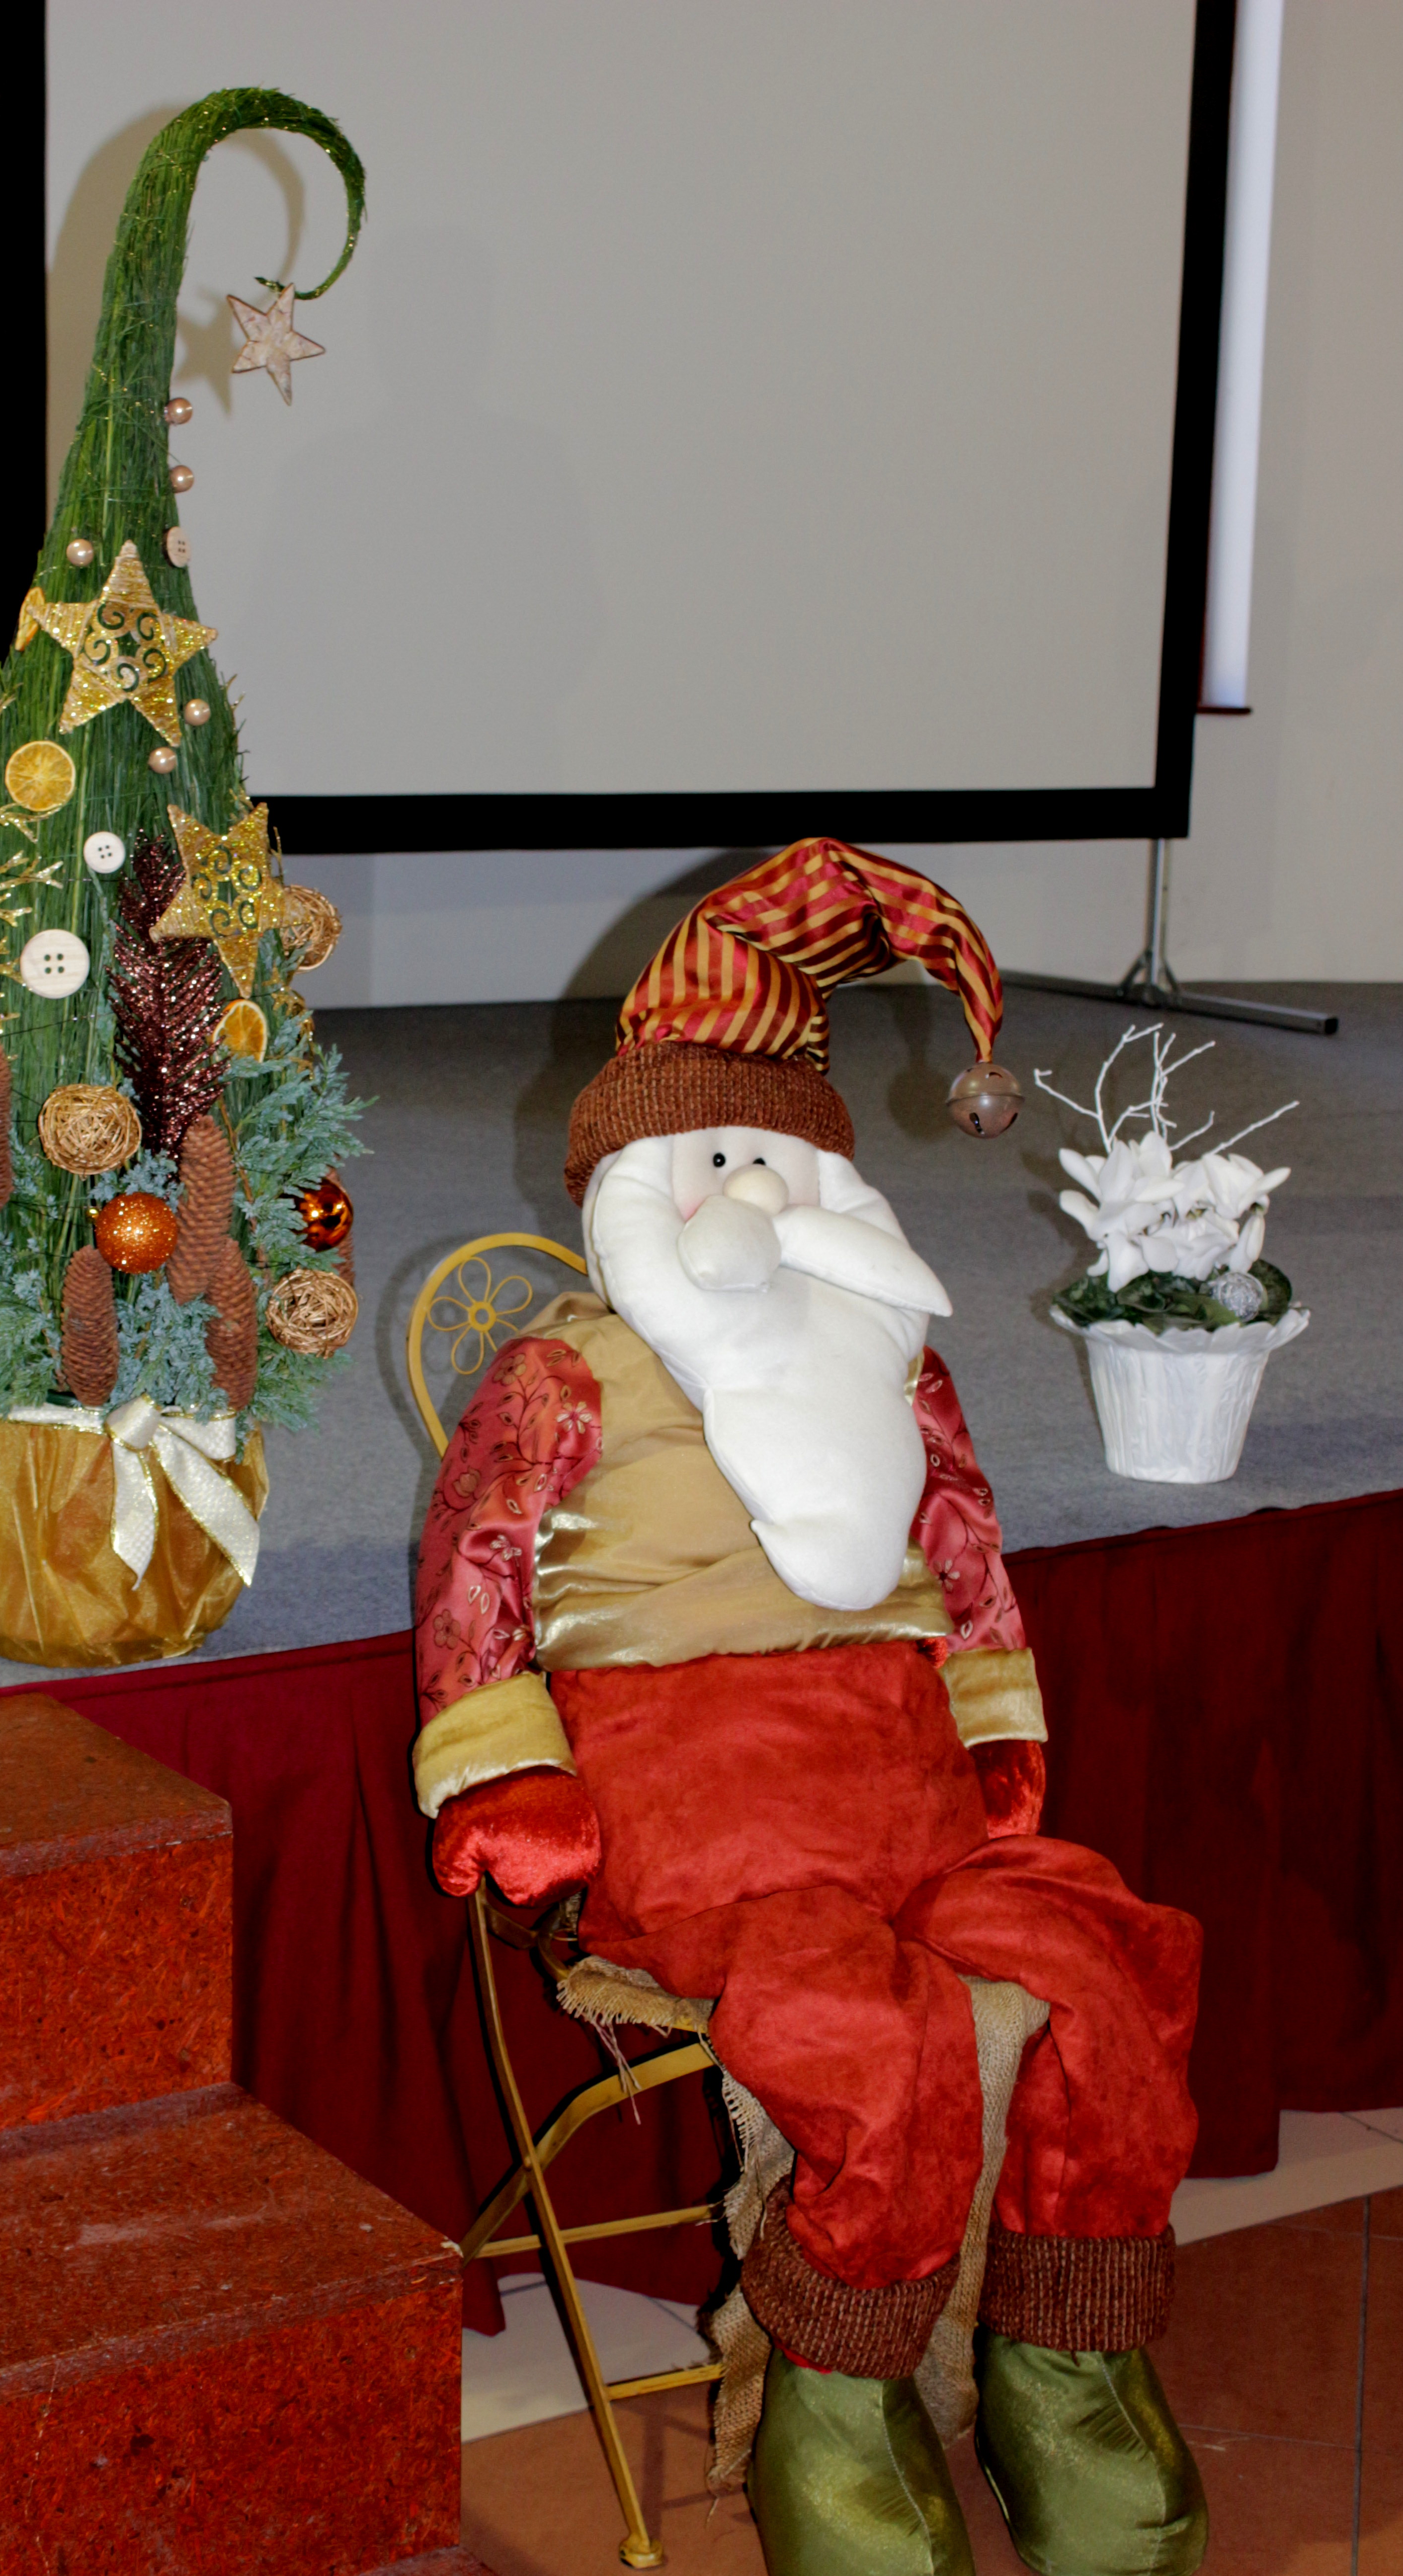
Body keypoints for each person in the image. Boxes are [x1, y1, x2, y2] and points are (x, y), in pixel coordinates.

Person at [413, 842, 1207, 2576]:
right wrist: (508, 1777)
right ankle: (836, 2404)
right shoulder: (563, 1370)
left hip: (908, 1789)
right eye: (711, 1165)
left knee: (1108, 1973)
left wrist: (996, 1731)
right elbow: (475, 1574)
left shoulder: (892, 1362)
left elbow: (966, 1552)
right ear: (629, 1189)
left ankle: (1062, 2363)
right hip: (702, 1811)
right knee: (871, 2033)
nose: (754, 1199)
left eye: (781, 1165)